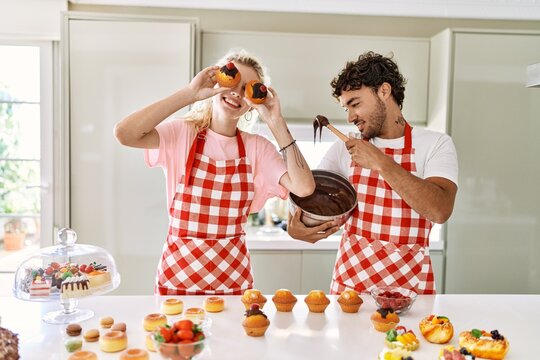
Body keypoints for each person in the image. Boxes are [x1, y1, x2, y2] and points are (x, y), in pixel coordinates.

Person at [114, 49, 315, 295]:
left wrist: (275, 121)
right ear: (216, 82)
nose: (236, 93)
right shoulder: (182, 134)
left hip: (232, 282)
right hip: (178, 280)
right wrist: (190, 94)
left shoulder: (257, 148)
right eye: (233, 82)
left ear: (252, 104)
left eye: (246, 90)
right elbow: (125, 133)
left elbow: (304, 187)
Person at [288, 51, 458, 295]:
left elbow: (440, 210)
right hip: (351, 292)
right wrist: (297, 228)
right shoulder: (344, 148)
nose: (350, 117)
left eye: (355, 104)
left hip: (410, 294)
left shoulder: (435, 144)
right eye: (346, 108)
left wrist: (380, 162)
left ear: (384, 91)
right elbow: (308, 201)